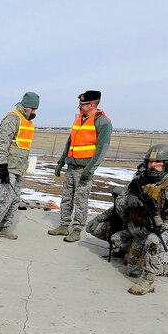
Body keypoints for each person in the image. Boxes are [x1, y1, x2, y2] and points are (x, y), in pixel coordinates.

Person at [85, 143, 168, 295]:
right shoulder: (139, 180)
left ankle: (150, 281)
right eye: (150, 162)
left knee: (154, 241)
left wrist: (164, 224)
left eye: (158, 163)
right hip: (139, 228)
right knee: (132, 269)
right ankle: (139, 256)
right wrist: (129, 201)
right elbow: (119, 203)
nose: (153, 165)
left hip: (165, 230)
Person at [49, 90, 112, 242]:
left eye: (82, 104)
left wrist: (90, 169)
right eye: (79, 103)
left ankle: (77, 229)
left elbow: (102, 149)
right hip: (71, 166)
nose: (79, 106)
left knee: (80, 200)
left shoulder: (103, 122)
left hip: (84, 168)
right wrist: (61, 162)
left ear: (92, 105)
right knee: (66, 198)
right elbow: (70, 142)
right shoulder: (79, 119)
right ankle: (64, 226)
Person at [0, 91, 40, 241]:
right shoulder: (12, 118)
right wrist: (2, 165)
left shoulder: (27, 121)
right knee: (4, 198)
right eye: (32, 109)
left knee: (14, 199)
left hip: (19, 167)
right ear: (25, 106)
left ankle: (4, 228)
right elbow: (3, 143)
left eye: (35, 109)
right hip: (7, 167)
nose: (34, 112)